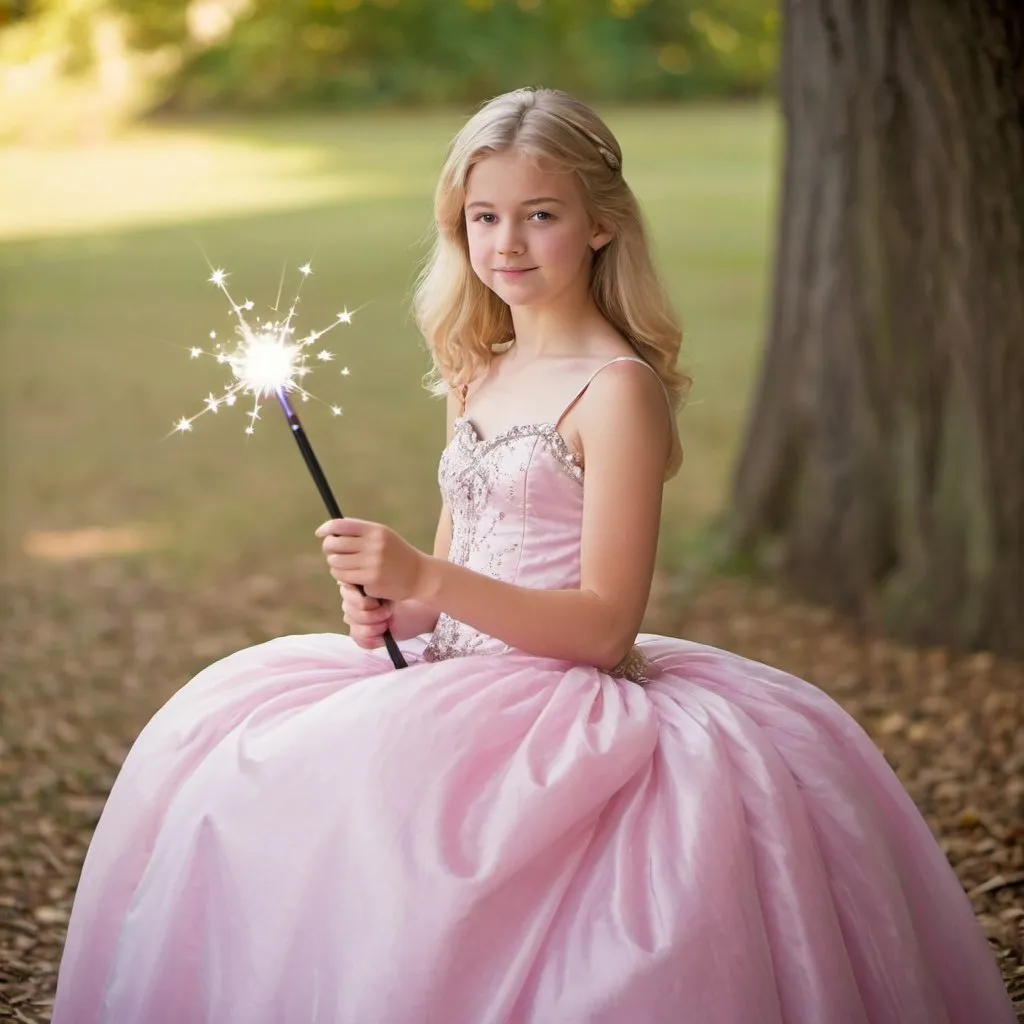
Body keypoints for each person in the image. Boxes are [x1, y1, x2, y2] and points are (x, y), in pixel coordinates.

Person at [53, 88, 1014, 1024]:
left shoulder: (617, 391)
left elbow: (604, 627)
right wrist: (396, 606)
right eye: (483, 217)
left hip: (561, 705)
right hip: (450, 680)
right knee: (237, 771)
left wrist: (431, 580)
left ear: (599, 224)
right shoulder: (478, 367)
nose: (505, 243)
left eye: (539, 215)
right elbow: (455, 556)